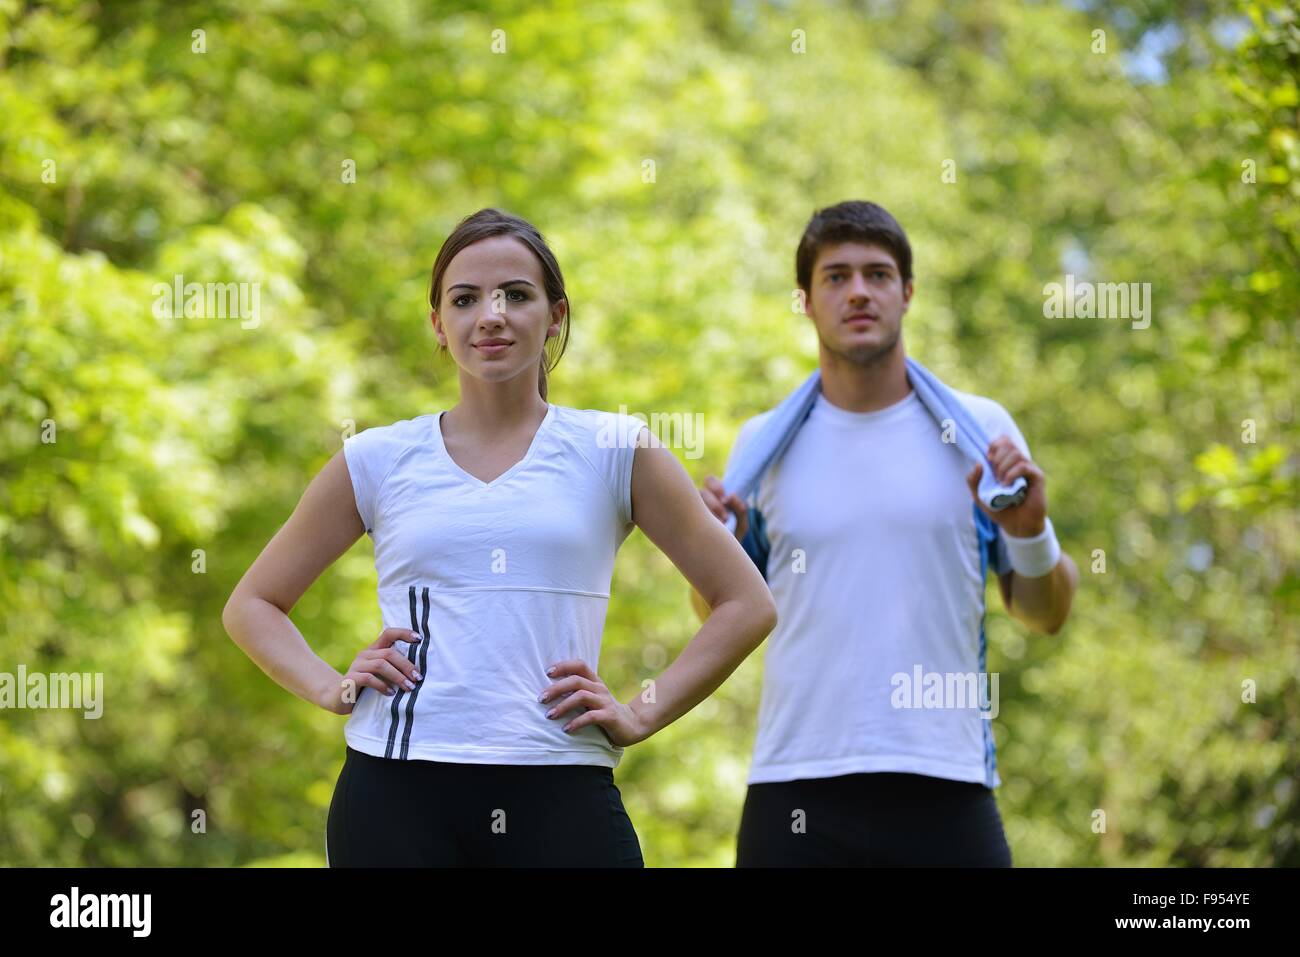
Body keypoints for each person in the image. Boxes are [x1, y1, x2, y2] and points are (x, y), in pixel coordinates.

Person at [223, 208, 776, 867]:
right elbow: (252, 604)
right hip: (395, 791)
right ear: (438, 323)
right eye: (465, 298)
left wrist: (640, 710)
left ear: (555, 314)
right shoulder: (377, 458)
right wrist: (331, 686)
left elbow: (746, 602)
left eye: (516, 294)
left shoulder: (615, 448)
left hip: (561, 785)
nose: (492, 314)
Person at [692, 200, 1079, 867]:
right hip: (794, 787)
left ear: (908, 293)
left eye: (877, 273)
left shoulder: (980, 433)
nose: (859, 292)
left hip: (944, 781)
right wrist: (709, 550)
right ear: (806, 302)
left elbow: (1046, 613)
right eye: (836, 277)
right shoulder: (761, 447)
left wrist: (1031, 530)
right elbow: (719, 612)